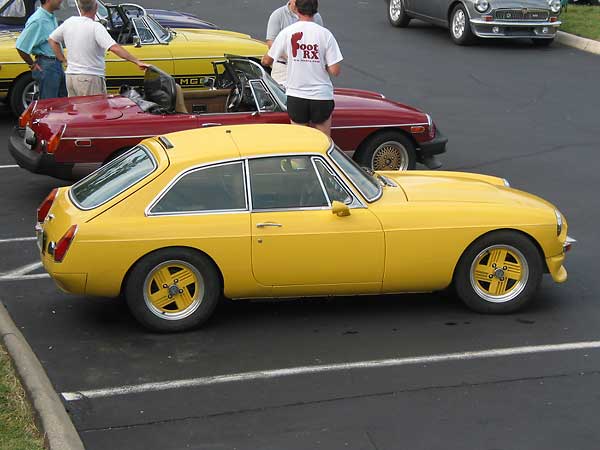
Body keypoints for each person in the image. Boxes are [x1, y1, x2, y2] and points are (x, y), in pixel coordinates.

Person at [262, 0, 342, 137]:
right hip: (321, 96)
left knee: (300, 142)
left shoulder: (287, 33)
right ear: (316, 10)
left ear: (297, 10)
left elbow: (267, 60)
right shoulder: (325, 34)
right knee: (323, 141)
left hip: (297, 95)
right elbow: (335, 71)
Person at [48, 0, 149, 97]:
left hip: (71, 76)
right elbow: (114, 48)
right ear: (96, 8)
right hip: (90, 77)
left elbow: (52, 40)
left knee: (78, 111)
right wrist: (137, 61)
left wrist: (63, 60)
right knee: (93, 111)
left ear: (79, 7)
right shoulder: (95, 27)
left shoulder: (69, 22)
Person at [15, 0, 67, 100]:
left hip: (55, 65)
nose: (61, 0)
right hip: (47, 66)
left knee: (61, 104)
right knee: (49, 105)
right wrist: (32, 64)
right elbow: (21, 46)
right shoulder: (38, 20)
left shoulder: (50, 17)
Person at [266, 0, 323, 87]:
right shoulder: (278, 15)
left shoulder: (316, 17)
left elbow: (319, 42)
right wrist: (291, 57)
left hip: (307, 67)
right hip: (284, 68)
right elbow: (271, 42)